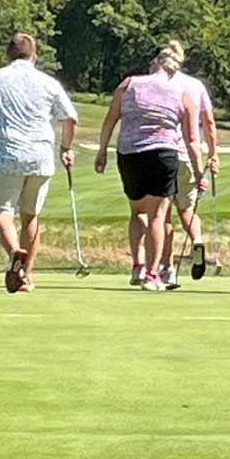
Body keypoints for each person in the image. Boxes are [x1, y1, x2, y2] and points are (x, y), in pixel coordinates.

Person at [0, 32, 77, 293]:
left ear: (8, 55)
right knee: (31, 216)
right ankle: (26, 276)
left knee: (1, 212)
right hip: (40, 157)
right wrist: (66, 148)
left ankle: (15, 252)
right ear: (34, 56)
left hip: (6, 155)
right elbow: (70, 119)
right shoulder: (48, 83)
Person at [94, 47, 206, 291]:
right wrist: (199, 173)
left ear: (154, 64)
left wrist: (102, 150)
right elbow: (192, 140)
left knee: (137, 212)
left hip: (130, 154)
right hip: (164, 153)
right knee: (157, 215)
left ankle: (138, 266)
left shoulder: (129, 84)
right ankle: (153, 275)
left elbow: (110, 119)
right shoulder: (183, 93)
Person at [155, 40, 220, 286]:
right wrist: (213, 153)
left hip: (163, 152)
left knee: (163, 214)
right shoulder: (195, 85)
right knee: (187, 210)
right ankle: (197, 241)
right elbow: (209, 123)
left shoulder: (157, 83)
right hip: (188, 156)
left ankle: (167, 268)